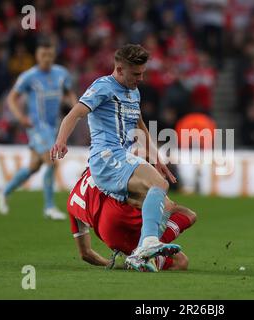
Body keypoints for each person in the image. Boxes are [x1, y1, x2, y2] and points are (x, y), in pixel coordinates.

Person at [51, 44, 180, 269]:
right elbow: (75, 113)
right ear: (119, 70)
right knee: (158, 183)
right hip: (107, 158)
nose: (141, 78)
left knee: (164, 205)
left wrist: (156, 157)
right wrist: (61, 140)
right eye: (136, 74)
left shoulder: (134, 91)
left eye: (143, 73)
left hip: (124, 158)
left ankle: (138, 255)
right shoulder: (103, 87)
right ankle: (147, 244)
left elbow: (139, 125)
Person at [0, 39, 77, 220]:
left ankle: (4, 190)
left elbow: (70, 92)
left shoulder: (61, 73)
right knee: (51, 161)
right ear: (37, 56)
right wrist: (20, 117)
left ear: (54, 54)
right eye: (42, 54)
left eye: (49, 54)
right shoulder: (28, 76)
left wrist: (76, 108)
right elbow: (11, 98)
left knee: (34, 166)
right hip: (37, 127)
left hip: (54, 126)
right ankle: (49, 207)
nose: (46, 58)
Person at [68, 168, 196, 271]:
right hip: (119, 212)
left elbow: (85, 253)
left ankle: (134, 256)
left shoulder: (71, 200)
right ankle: (147, 245)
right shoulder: (101, 168)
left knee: (181, 260)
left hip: (108, 234)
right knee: (187, 214)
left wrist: (110, 263)